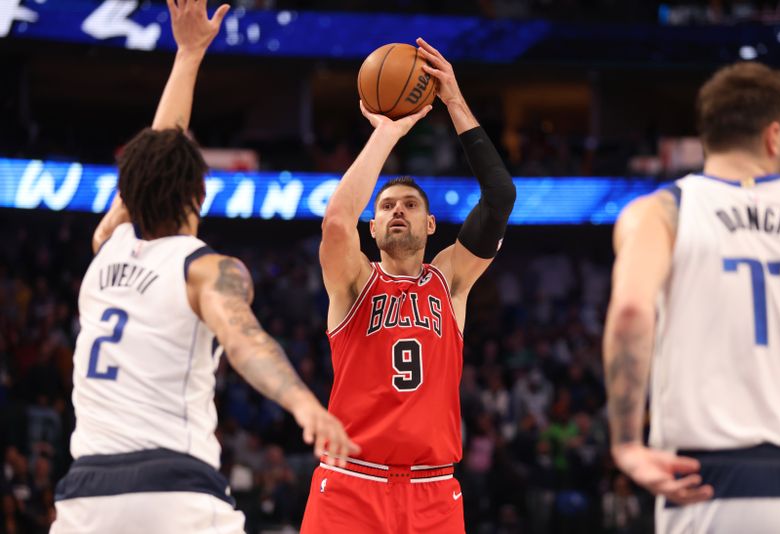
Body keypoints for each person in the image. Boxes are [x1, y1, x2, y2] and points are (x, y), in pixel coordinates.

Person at [50, 2, 358, 533]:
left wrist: (189, 54)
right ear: (200, 192)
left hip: (84, 500)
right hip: (174, 493)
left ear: (129, 193)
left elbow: (156, 155)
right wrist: (305, 405)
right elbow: (245, 343)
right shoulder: (204, 269)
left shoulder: (106, 248)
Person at [300, 38, 516, 533]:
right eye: (386, 206)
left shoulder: (451, 280)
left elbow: (500, 195)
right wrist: (388, 133)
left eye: (410, 205)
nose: (398, 209)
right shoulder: (354, 281)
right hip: (351, 484)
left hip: (434, 491)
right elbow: (335, 224)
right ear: (372, 229)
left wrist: (454, 100)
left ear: (432, 225)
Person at [603, 61, 780, 533]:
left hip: (703, 480)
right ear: (775, 136)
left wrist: (627, 444)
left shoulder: (660, 212)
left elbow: (631, 310)